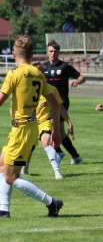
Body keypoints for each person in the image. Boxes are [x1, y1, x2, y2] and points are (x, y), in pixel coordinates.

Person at [0, 35, 63, 218]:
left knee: (11, 177)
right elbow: (55, 103)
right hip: (26, 128)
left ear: (13, 54)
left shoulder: (14, 73)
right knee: (2, 167)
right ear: (32, 54)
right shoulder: (38, 74)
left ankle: (52, 203)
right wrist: (57, 131)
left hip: (21, 129)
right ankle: (3, 210)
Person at [21, 62, 75, 179]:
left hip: (44, 121)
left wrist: (69, 122)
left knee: (46, 141)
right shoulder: (25, 89)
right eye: (36, 71)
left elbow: (60, 107)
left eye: (41, 71)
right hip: (30, 122)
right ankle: (25, 166)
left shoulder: (51, 90)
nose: (39, 73)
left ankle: (57, 172)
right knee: (29, 149)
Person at [43, 40, 85, 164]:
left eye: (55, 51)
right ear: (47, 52)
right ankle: (76, 156)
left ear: (59, 52)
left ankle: (58, 152)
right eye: (51, 51)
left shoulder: (64, 67)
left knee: (50, 126)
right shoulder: (43, 67)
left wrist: (77, 81)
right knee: (60, 131)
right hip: (46, 103)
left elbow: (82, 77)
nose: (53, 53)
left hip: (62, 103)